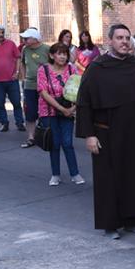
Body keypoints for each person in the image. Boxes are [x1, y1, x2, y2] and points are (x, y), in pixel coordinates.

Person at [75, 24, 135, 239]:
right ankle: (111, 224)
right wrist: (89, 135)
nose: (124, 41)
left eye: (127, 38)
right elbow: (84, 102)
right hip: (106, 133)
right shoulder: (97, 67)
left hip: (134, 132)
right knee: (109, 180)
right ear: (110, 41)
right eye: (119, 38)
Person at [37, 43, 83, 185]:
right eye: (59, 53)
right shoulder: (43, 70)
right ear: (52, 55)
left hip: (68, 111)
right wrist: (61, 108)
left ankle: (75, 173)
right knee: (54, 143)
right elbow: (43, 92)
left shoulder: (71, 69)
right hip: (49, 111)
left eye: (65, 54)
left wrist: (72, 109)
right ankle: (55, 174)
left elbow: (79, 91)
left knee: (68, 143)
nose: (63, 56)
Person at [19, 28, 49, 148]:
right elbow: (22, 63)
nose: (24, 40)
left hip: (44, 85)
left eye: (26, 38)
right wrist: (24, 76)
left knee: (45, 110)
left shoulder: (46, 49)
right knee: (30, 111)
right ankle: (31, 138)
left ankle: (46, 136)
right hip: (29, 85)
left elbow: (54, 63)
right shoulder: (25, 49)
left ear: (35, 39)